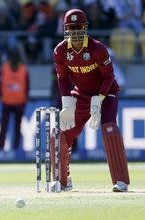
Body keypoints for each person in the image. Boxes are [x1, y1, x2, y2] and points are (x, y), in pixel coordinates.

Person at [53, 9, 130, 192]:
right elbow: (62, 78)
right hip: (82, 94)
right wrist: (67, 102)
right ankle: (63, 180)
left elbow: (109, 76)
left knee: (109, 127)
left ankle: (121, 181)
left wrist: (99, 99)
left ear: (85, 27)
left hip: (107, 92)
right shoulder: (61, 51)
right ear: (66, 29)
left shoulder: (97, 48)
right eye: (71, 28)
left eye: (78, 27)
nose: (75, 32)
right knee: (62, 131)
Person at [0, 48, 29, 151]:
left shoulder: (5, 67)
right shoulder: (23, 69)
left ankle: (2, 148)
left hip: (12, 102)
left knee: (6, 127)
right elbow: (28, 86)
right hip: (14, 102)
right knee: (12, 128)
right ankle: (13, 148)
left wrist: (0, 95)